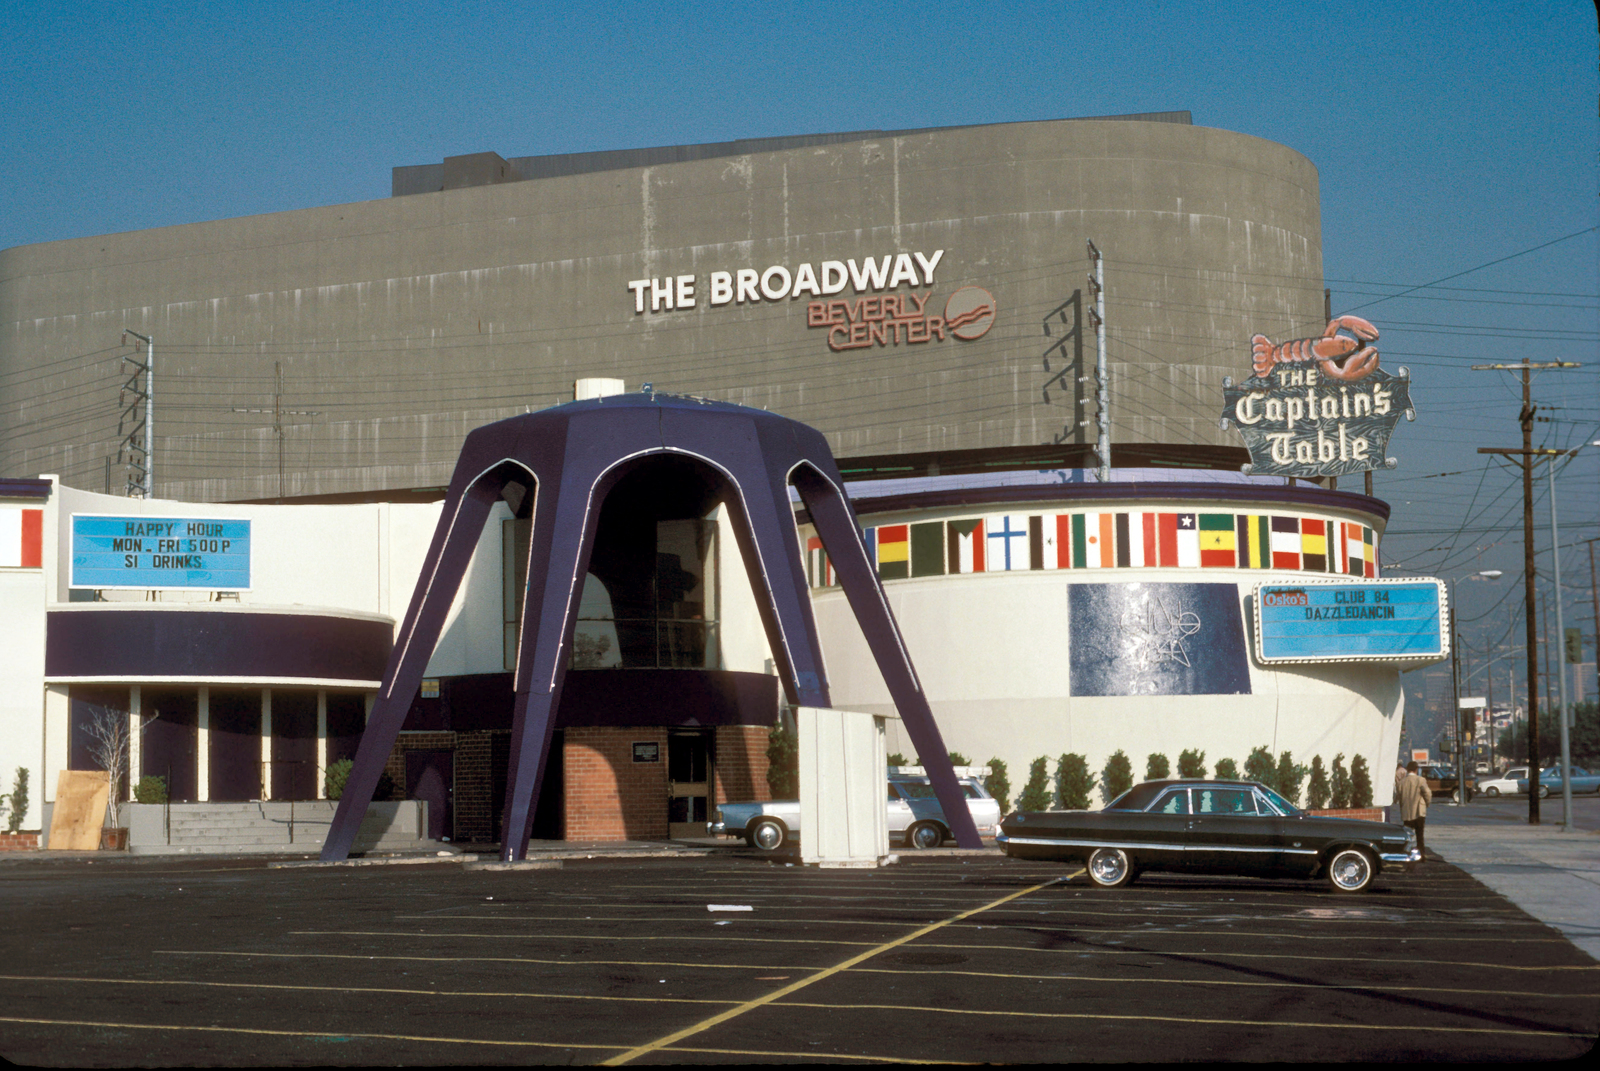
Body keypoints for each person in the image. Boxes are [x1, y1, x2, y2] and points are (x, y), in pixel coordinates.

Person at [1398, 760, 1432, 859]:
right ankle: (1421, 855)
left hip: (1406, 812)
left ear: (1408, 770)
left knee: (1408, 836)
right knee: (1419, 836)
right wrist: (1427, 803)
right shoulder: (1420, 780)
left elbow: (1399, 797)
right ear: (1416, 770)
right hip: (1418, 811)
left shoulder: (1402, 782)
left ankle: (1407, 854)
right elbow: (1427, 793)